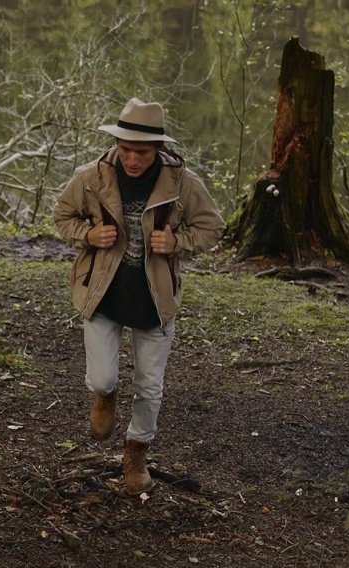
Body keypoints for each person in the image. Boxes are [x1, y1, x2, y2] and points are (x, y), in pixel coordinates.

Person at [52, 98, 223, 494]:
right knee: (102, 375)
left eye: (141, 152)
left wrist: (177, 241)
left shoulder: (182, 183)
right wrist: (89, 235)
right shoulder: (91, 176)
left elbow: (212, 228)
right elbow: (63, 216)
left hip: (155, 299)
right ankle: (104, 395)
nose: (131, 159)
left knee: (150, 386)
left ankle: (135, 456)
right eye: (125, 149)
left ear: (158, 149)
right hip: (102, 291)